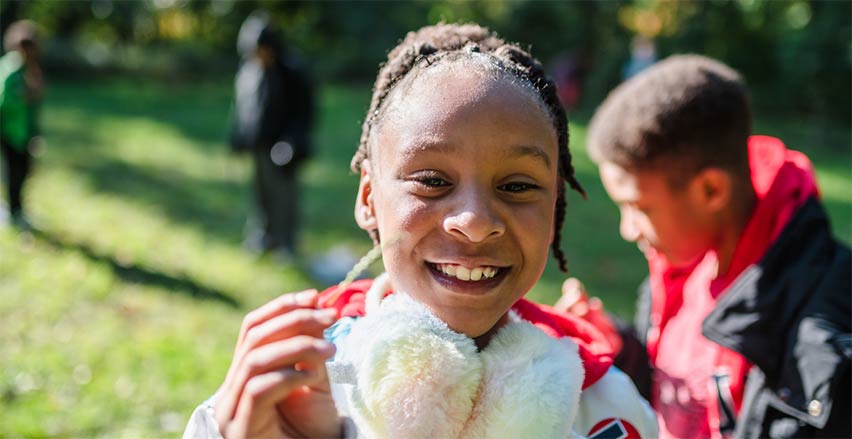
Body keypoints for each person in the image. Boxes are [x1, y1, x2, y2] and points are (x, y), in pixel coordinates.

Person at [184, 23, 657, 439]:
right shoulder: (294, 386)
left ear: (555, 206)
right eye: (432, 181)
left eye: (517, 186)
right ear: (369, 199)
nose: (473, 222)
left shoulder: (607, 408)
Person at [557, 54, 851, 438]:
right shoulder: (682, 266)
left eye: (639, 207)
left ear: (711, 190)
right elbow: (673, 383)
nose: (627, 229)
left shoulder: (824, 332)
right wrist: (621, 347)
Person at [231, 11, 314, 260]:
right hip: (258, 144)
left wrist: (292, 142)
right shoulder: (250, 70)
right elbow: (243, 106)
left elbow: (304, 112)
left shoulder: (292, 72)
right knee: (261, 194)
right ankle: (261, 237)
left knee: (283, 197)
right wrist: (238, 135)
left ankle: (285, 243)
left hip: (283, 148)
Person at [0, 19, 43, 230]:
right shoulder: (11, 67)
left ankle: (17, 209)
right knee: (13, 172)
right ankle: (12, 211)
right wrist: (25, 96)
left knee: (24, 171)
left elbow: (36, 101)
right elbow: (5, 100)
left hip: (24, 131)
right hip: (10, 131)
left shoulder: (29, 68)